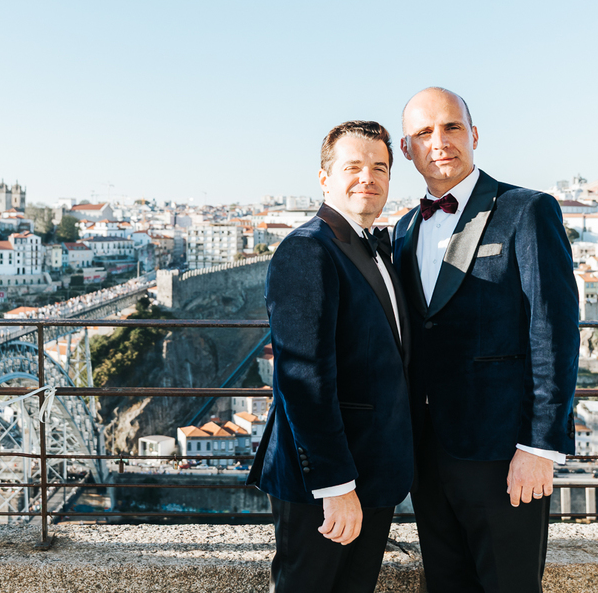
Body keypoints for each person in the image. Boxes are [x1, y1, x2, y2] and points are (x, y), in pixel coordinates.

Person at [392, 87, 580, 593]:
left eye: (451, 127)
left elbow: (554, 331)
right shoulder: (404, 229)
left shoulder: (527, 210)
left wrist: (540, 447)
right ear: (406, 149)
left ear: (473, 135)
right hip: (427, 456)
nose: (440, 141)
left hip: (504, 454)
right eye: (423, 132)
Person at [249, 120, 413, 593]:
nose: (368, 177)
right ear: (325, 178)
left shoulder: (368, 248)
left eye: (379, 167)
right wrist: (337, 487)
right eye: (353, 166)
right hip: (327, 482)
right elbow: (304, 380)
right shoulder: (307, 251)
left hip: (369, 475)